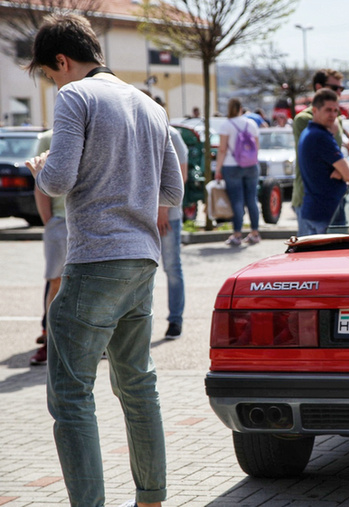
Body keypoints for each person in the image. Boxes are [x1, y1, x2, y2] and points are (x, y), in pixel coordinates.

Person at [25, 13, 183, 507]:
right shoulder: (150, 105)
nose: (55, 83)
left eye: (51, 75)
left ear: (62, 61)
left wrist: (40, 168)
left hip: (95, 259)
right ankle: (151, 499)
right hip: (142, 261)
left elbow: (58, 180)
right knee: (138, 385)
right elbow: (173, 191)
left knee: (71, 396)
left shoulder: (75, 96)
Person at [292, 68, 349, 236]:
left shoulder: (330, 122)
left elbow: (340, 156)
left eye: (336, 110)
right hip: (317, 202)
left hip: (323, 204)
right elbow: (348, 173)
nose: (333, 114)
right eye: (334, 88)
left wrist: (340, 166)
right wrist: (342, 167)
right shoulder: (307, 122)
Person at [29, 129, 64, 366]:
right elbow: (39, 179)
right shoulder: (49, 137)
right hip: (61, 221)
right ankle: (50, 341)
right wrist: (50, 221)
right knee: (55, 282)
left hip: (89, 219)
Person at [215, 98, 262, 247]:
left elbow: (222, 150)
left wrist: (218, 169)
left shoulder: (226, 125)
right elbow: (257, 146)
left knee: (237, 201)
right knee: (252, 199)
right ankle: (255, 232)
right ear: (241, 108)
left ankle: (237, 234)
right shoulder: (252, 123)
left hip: (231, 165)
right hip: (251, 165)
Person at [161, 125, 188, 339]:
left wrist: (162, 208)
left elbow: (181, 176)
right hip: (140, 215)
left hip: (167, 215)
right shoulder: (135, 130)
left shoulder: (172, 135)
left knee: (172, 267)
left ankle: (175, 320)